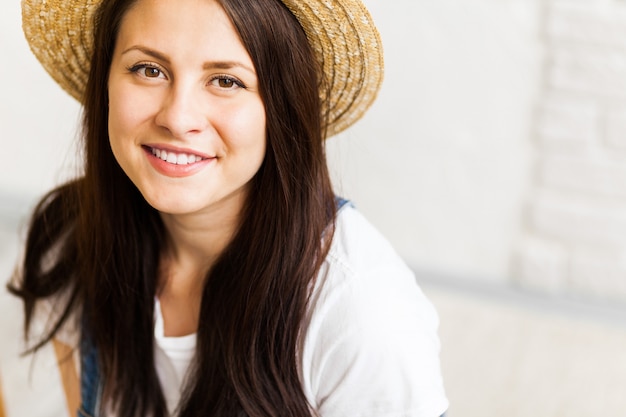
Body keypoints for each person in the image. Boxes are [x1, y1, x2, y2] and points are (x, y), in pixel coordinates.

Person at [9, 0, 449, 416]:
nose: (178, 118)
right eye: (148, 69)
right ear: (105, 82)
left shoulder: (363, 316)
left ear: (283, 108)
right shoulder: (67, 240)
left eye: (226, 80)